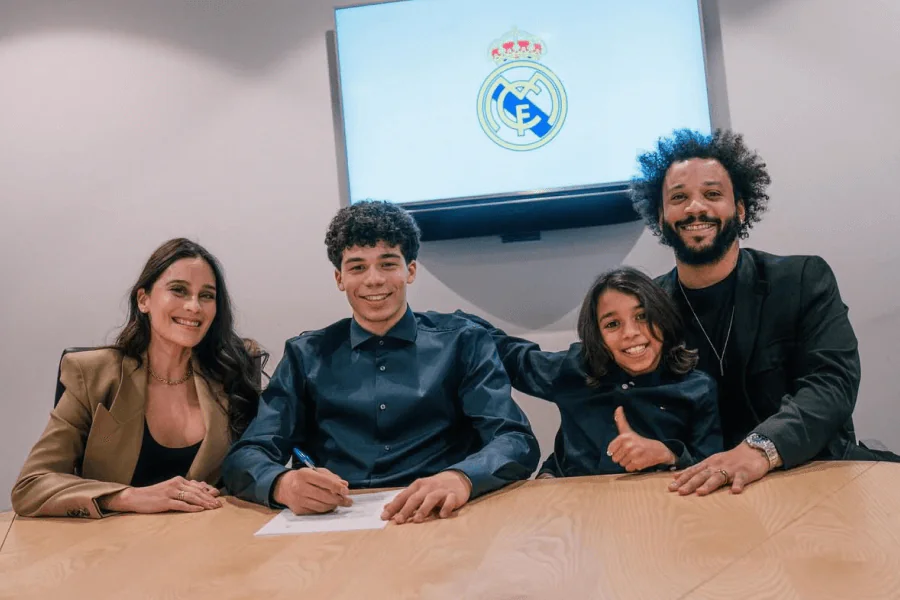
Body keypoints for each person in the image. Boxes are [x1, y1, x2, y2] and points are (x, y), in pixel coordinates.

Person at [222, 200, 539, 525]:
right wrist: (283, 484)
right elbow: (246, 455)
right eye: (357, 267)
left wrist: (462, 478)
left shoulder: (463, 342)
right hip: (334, 526)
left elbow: (515, 440)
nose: (373, 279)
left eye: (387, 264)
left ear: (410, 270)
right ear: (339, 278)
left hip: (440, 518)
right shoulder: (304, 355)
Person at [629, 128, 899, 497]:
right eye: (679, 198)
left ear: (740, 209)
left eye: (712, 194)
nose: (695, 208)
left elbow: (831, 385)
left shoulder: (802, 279)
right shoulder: (644, 307)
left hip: (810, 476)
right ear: (661, 216)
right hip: (695, 492)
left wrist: (760, 450)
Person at [11, 238, 259, 518]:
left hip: (209, 537)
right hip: (112, 541)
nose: (194, 306)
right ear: (144, 300)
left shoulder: (233, 374)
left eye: (207, 295)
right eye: (179, 290)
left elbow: (254, 471)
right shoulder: (93, 374)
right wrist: (128, 497)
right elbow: (31, 485)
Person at [458, 267, 722, 478]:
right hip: (574, 502)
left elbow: (713, 467)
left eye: (642, 316)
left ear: (664, 318)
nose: (630, 333)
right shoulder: (575, 369)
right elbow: (513, 356)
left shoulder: (697, 388)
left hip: (655, 507)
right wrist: (453, 325)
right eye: (613, 324)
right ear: (597, 336)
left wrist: (668, 454)